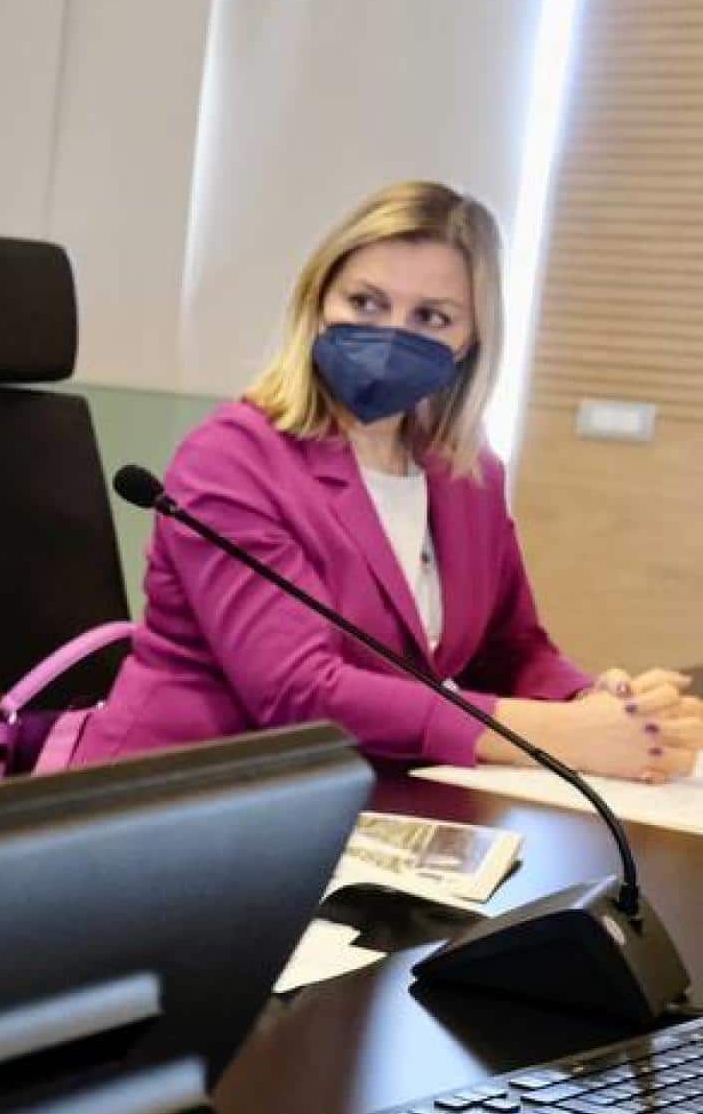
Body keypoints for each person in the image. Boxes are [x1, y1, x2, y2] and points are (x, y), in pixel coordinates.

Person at [70, 181, 703, 780]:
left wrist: (601, 707)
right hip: (177, 796)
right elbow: (297, 691)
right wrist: (558, 733)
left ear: (471, 341)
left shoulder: (469, 474)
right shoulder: (233, 459)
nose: (390, 333)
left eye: (432, 317)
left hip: (366, 793)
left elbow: (513, 649)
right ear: (318, 303)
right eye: (366, 303)